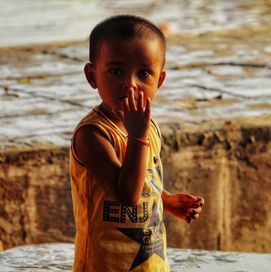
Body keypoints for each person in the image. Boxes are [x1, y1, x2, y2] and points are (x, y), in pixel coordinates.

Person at [70, 15, 205, 272]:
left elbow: (142, 182)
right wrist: (137, 136)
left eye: (144, 73)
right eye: (116, 71)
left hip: (150, 262)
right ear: (92, 76)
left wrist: (165, 200)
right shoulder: (93, 135)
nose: (130, 84)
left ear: (160, 81)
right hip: (105, 264)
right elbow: (126, 195)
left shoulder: (147, 128)